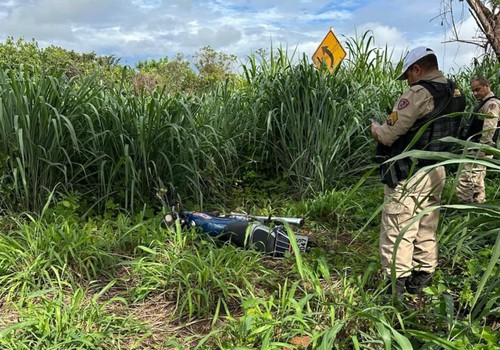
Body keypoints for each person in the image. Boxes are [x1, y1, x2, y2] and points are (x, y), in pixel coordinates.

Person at [370, 47, 466, 296]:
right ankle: (422, 279)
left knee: (398, 225)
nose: (408, 81)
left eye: (408, 75)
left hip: (409, 171)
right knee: (426, 222)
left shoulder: (418, 93)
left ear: (417, 69)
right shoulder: (456, 92)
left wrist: (376, 129)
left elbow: (389, 134)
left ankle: (396, 288)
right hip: (437, 170)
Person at [456, 77, 500, 203]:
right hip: (475, 146)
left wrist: (483, 147)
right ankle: (478, 205)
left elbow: (489, 127)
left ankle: (464, 207)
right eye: (473, 91)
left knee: (466, 178)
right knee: (477, 178)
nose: (475, 93)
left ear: (487, 86)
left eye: (478, 89)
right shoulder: (484, 103)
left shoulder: (492, 104)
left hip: (479, 148)